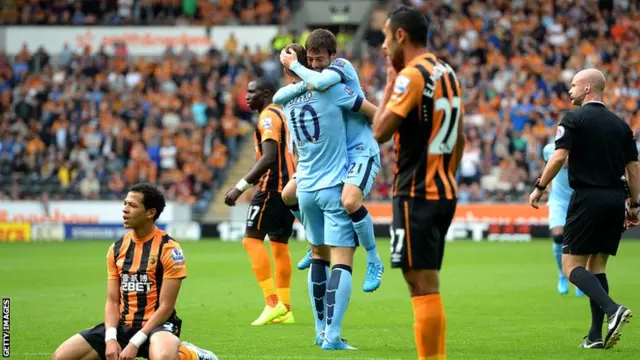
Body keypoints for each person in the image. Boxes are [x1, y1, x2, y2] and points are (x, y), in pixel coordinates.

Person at [372, 6, 465, 360]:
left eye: (384, 36)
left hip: (415, 192)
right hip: (442, 191)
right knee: (427, 283)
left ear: (400, 36)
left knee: (419, 284)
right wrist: (445, 177)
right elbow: (460, 138)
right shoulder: (447, 72)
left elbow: (380, 131)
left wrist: (387, 83)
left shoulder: (411, 76)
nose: (382, 46)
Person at [280, 43, 378, 350]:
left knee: (317, 251)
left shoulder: (289, 100)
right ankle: (331, 336)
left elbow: (280, 95)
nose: (314, 63)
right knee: (341, 261)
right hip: (331, 182)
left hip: (308, 185)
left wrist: (294, 68)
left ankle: (320, 330)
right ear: (301, 62)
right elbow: (327, 88)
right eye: (309, 59)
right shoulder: (329, 93)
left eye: (318, 58)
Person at [529, 68, 635, 349]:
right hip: (615, 199)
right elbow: (634, 168)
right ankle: (595, 336)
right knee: (597, 266)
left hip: (587, 198)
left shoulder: (573, 119)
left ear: (588, 88)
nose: (570, 90)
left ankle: (613, 310)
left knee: (570, 267)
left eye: (574, 85)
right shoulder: (621, 126)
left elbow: (558, 156)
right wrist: (635, 205)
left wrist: (540, 186)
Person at [52, 183, 217, 360]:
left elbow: (166, 306)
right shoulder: (116, 248)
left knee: (163, 357)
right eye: (125, 204)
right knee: (61, 356)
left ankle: (191, 355)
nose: (125, 210)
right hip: (124, 326)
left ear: (150, 213)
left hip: (159, 325)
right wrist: (110, 339)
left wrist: (135, 342)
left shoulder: (169, 249)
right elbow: (112, 300)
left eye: (132, 205)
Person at [223, 78, 296, 326]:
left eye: (252, 91)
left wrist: (239, 187)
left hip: (272, 186)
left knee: (251, 241)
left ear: (266, 93)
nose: (247, 95)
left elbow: (268, 157)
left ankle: (272, 302)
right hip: (290, 186)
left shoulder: (268, 116)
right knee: (279, 245)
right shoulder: (282, 112)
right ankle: (285, 309)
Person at [543, 140, 584, 297]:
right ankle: (562, 275)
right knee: (559, 236)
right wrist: (546, 185)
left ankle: (580, 279)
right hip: (558, 200)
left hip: (579, 198)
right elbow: (547, 166)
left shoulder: (583, 147)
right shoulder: (549, 149)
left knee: (579, 241)